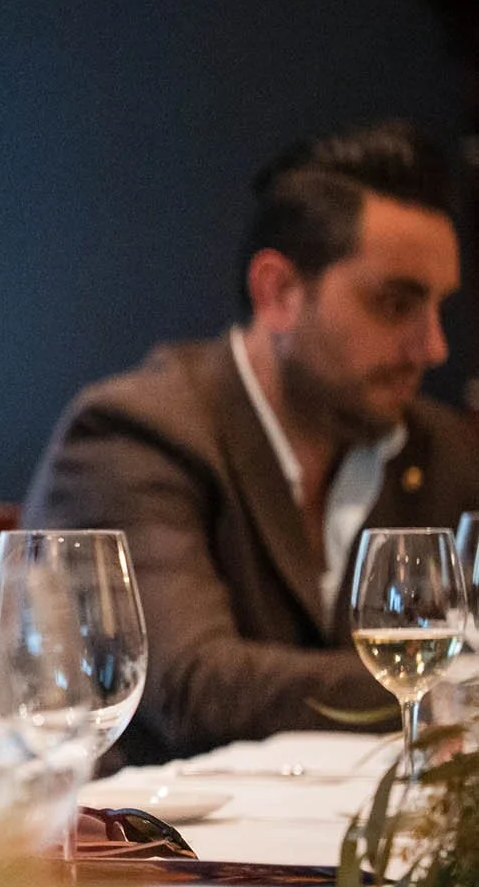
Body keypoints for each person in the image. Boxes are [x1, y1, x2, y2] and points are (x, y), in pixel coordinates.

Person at [23, 119, 479, 765]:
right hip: (147, 852)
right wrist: (444, 686)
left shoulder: (437, 447)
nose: (432, 346)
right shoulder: (135, 432)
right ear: (279, 293)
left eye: (439, 308)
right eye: (396, 303)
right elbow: (192, 685)